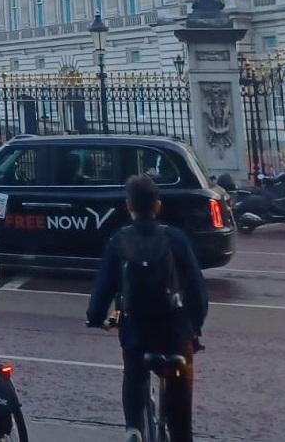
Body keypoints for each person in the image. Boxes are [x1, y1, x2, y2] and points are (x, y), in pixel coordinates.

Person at [86, 175, 209, 442]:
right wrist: (194, 327)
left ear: (129, 205)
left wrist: (96, 318)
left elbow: (101, 291)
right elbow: (198, 290)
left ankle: (133, 429)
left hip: (137, 334)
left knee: (133, 374)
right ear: (158, 206)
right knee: (181, 419)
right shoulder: (175, 239)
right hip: (176, 334)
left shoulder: (119, 241)